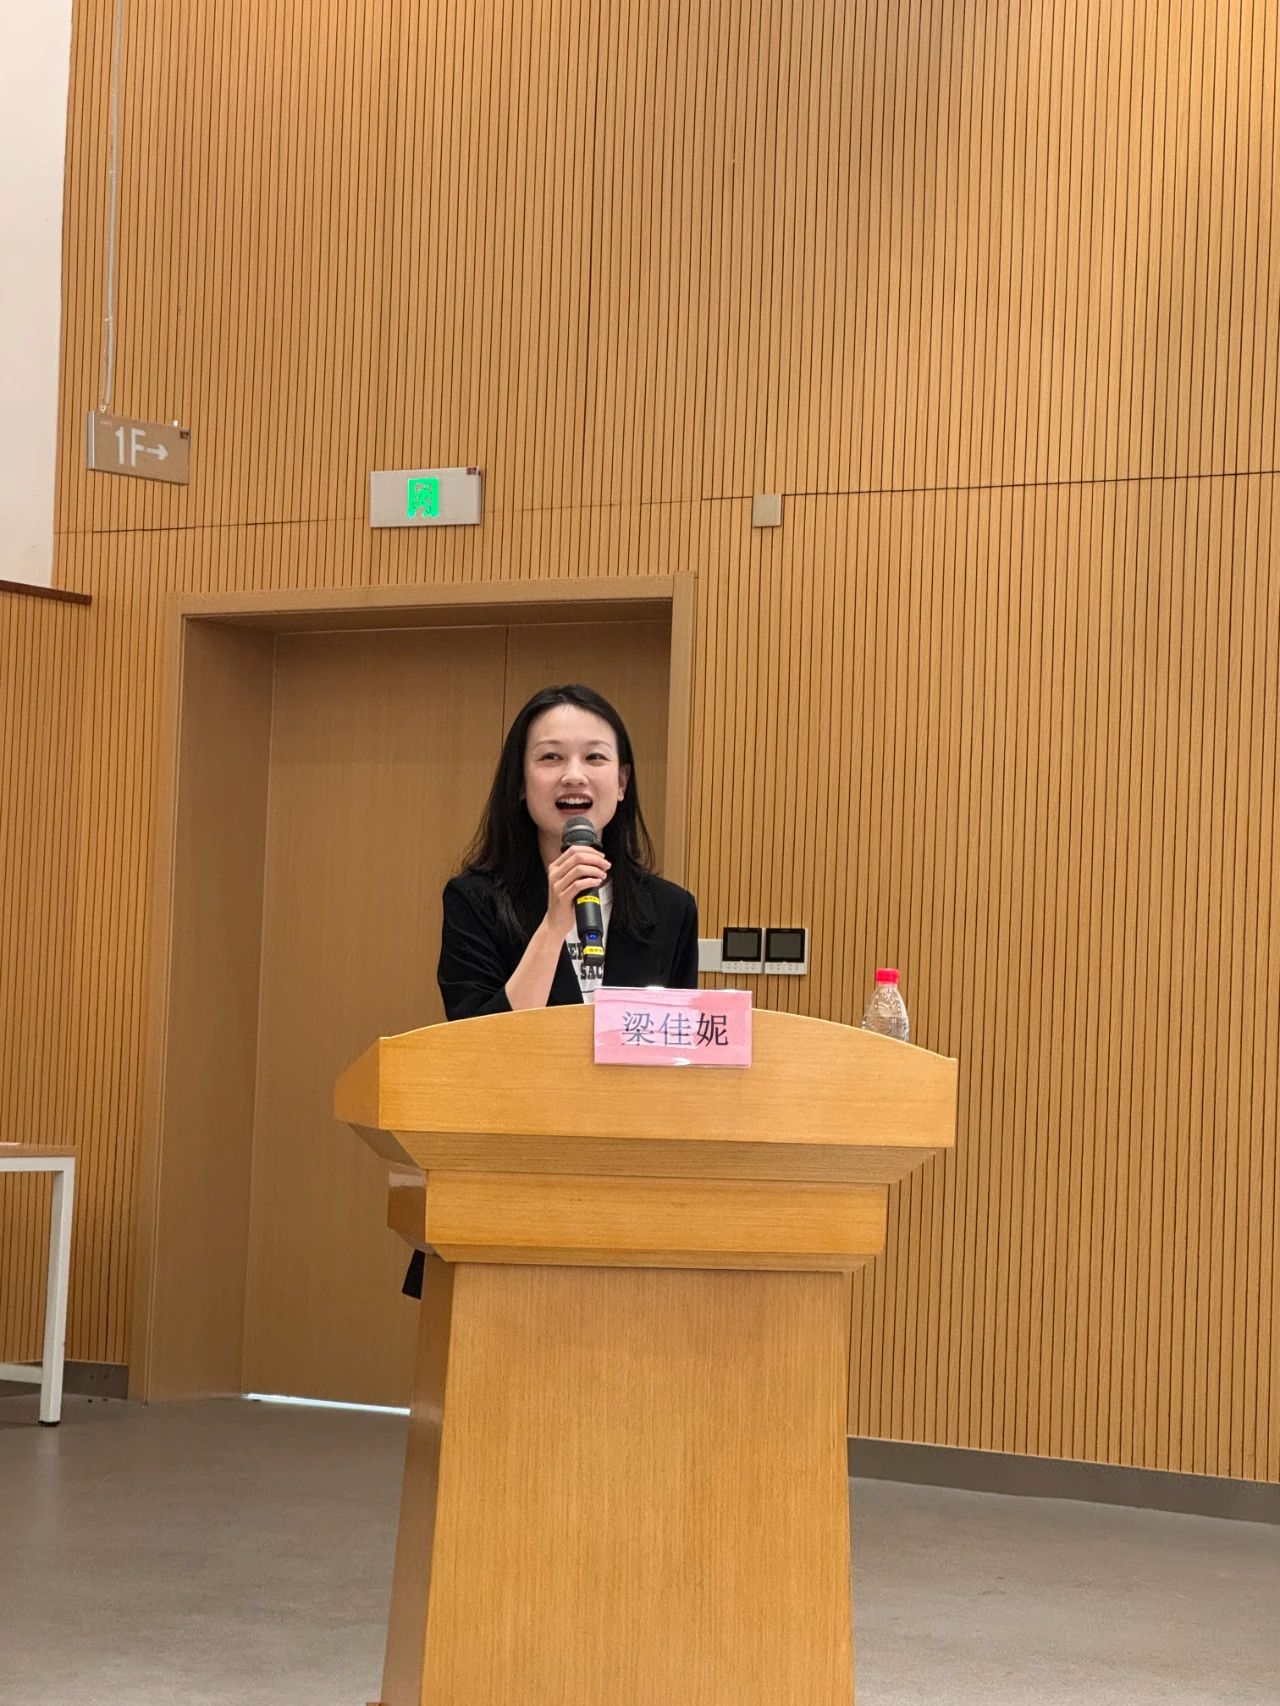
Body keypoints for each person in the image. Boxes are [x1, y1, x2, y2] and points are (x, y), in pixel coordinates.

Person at [403, 683, 699, 1297]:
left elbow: (680, 1060)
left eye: (595, 757)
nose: (574, 774)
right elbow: (478, 1047)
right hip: (507, 1176)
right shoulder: (474, 901)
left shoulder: (670, 910)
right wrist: (553, 924)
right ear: (520, 783)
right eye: (550, 757)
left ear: (622, 782)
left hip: (627, 1188)